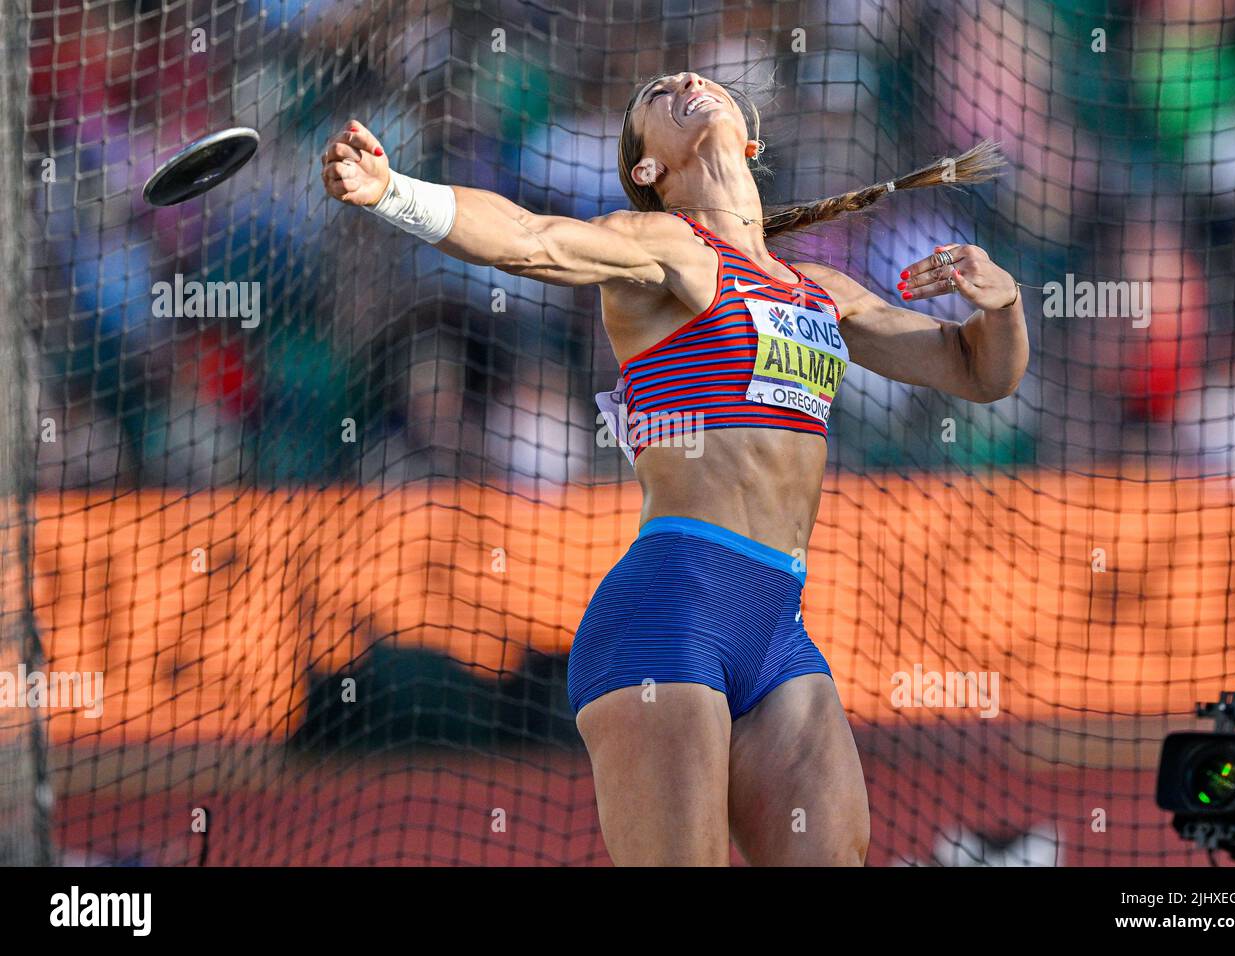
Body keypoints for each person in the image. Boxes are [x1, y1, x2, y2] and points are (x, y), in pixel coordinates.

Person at [320, 71, 1027, 865]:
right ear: (648, 171)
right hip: (669, 614)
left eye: (697, 82)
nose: (685, 80)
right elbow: (529, 239)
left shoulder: (822, 293)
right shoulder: (665, 248)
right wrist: (391, 191)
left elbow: (979, 372)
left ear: (750, 143)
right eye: (657, 95)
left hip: (779, 630)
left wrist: (1000, 304)